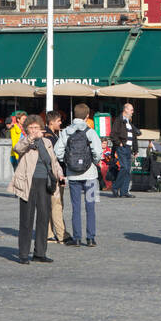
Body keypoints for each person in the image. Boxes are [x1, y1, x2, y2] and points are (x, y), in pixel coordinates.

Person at [10, 114, 63, 264]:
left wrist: (59, 173)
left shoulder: (47, 142)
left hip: (45, 183)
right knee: (26, 219)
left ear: (41, 128)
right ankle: (23, 253)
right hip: (28, 183)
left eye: (36, 128)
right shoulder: (25, 141)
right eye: (31, 128)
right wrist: (31, 138)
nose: (33, 130)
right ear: (26, 129)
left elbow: (53, 161)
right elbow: (17, 148)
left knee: (43, 217)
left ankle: (40, 252)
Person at [54, 103, 102, 247]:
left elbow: (58, 151)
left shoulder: (66, 131)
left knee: (75, 207)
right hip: (91, 175)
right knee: (90, 206)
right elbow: (98, 152)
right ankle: (91, 238)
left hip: (73, 175)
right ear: (87, 116)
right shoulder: (90, 132)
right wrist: (93, 162)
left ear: (73, 115)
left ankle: (76, 238)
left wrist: (67, 162)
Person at [45, 110, 71, 245]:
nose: (61, 123)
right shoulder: (50, 137)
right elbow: (55, 159)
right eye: (59, 121)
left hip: (51, 174)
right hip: (54, 174)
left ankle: (49, 233)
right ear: (51, 122)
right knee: (57, 204)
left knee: (51, 205)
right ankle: (61, 235)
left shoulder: (51, 134)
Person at [111, 103, 140, 198]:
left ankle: (124, 191)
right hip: (122, 147)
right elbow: (113, 134)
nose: (132, 112)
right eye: (131, 110)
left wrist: (135, 150)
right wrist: (119, 143)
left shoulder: (129, 123)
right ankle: (115, 187)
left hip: (128, 148)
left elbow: (134, 137)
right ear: (125, 110)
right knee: (124, 167)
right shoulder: (119, 120)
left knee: (128, 170)